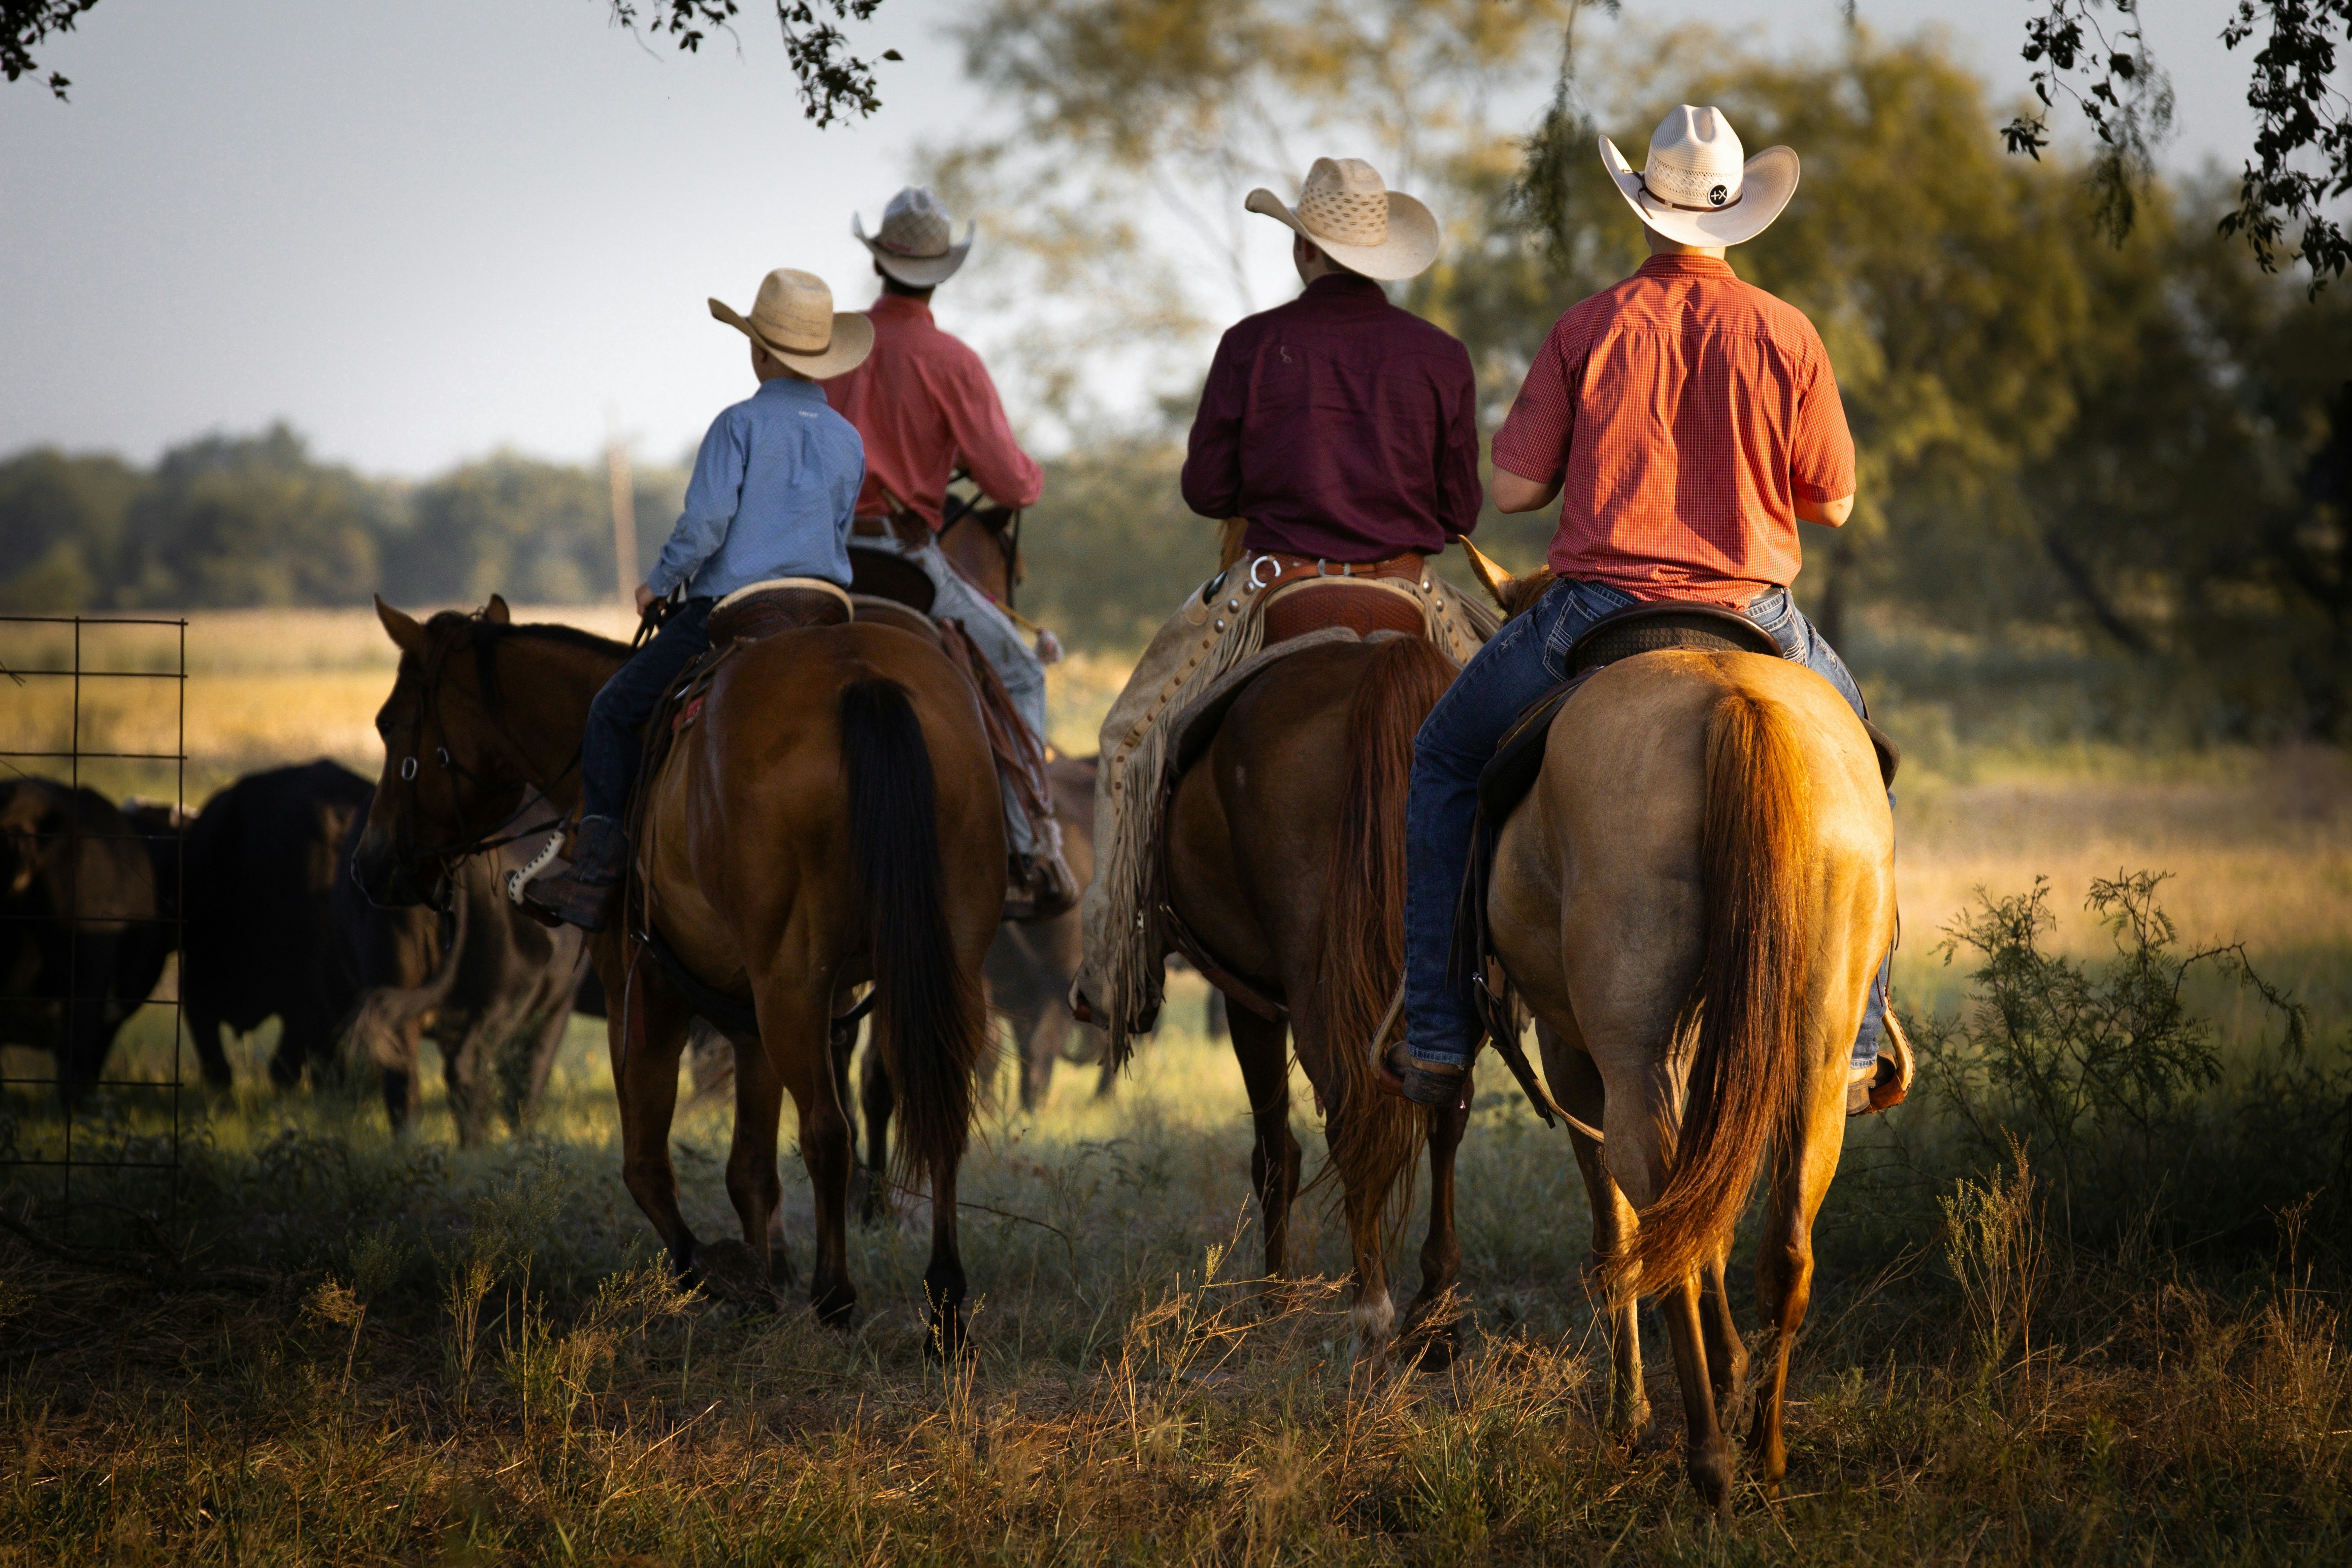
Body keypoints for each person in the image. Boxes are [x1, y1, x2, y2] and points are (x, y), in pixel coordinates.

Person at [1389, 104, 1895, 1107]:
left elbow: (1520, 494)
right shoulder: (1788, 333)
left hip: (1597, 610)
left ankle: (1440, 1030)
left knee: (1444, 759)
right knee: (1865, 767)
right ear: (1738, 214)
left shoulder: (1589, 326)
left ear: (1645, 208)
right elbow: (1833, 500)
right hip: (1759, 614)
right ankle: (1862, 1034)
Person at [1070, 155, 1488, 1042]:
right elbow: (1459, 512)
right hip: (1413, 595)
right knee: (1529, 736)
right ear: (1382, 258)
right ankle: (1518, 975)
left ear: (1304, 249)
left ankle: (1115, 973)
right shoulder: (1441, 357)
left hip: (1272, 589)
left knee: (1129, 741)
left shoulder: (1252, 346)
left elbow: (1206, 490)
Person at [524, 269, 870, 931]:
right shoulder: (847, 439)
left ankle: (596, 874)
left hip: (735, 615)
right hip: (824, 617)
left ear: (759, 351)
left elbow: (706, 525)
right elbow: (837, 530)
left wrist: (659, 580)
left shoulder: (736, 425)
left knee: (612, 709)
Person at [821, 185, 1075, 920]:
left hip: (819, 557)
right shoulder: (951, 360)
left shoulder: (834, 346)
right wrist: (1026, 472)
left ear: (879, 264)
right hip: (906, 558)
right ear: (940, 273)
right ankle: (1030, 846)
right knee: (1023, 672)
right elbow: (1010, 484)